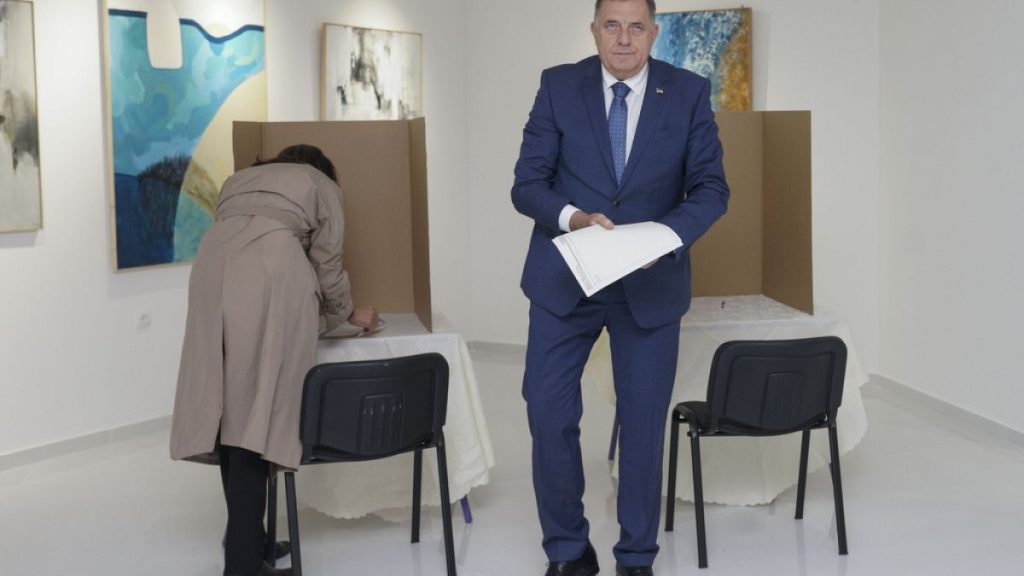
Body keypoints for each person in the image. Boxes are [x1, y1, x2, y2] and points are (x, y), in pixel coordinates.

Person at [511, 0, 730, 574]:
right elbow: (527, 184)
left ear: (654, 33)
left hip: (649, 284)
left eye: (636, 27)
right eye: (612, 25)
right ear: (594, 31)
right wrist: (573, 218)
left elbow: (711, 189)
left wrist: (662, 236)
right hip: (565, 280)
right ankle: (567, 551)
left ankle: (637, 555)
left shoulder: (687, 93)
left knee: (641, 423)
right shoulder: (558, 86)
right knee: (548, 414)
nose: (624, 39)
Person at [169, 144, 378, 576]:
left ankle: (250, 542)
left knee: (226, 410)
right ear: (322, 167)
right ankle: (243, 565)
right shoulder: (322, 185)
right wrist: (347, 315)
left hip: (209, 272)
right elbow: (328, 263)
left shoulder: (237, 181)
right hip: (269, 275)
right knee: (257, 413)